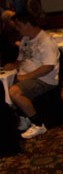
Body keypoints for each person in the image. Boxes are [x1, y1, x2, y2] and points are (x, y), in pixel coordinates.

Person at [4, 11, 59, 139]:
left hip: (43, 79)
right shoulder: (25, 39)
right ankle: (24, 116)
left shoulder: (45, 40)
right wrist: (13, 65)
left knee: (14, 92)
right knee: (4, 87)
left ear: (28, 24)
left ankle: (38, 124)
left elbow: (48, 67)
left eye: (18, 26)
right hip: (25, 76)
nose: (17, 29)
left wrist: (26, 77)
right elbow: (21, 59)